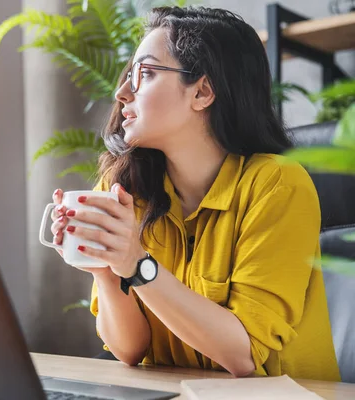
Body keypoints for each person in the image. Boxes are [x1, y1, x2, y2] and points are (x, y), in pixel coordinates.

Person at [49, 6, 340, 381]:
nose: (122, 93)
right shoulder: (125, 189)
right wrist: (105, 270)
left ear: (202, 91)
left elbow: (243, 354)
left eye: (146, 74)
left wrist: (137, 265)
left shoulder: (278, 185)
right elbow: (130, 349)